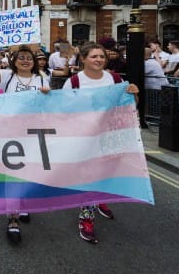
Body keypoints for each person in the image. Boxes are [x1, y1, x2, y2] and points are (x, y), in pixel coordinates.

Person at [62, 42, 139, 244]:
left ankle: (100, 198)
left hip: (110, 135)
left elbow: (129, 105)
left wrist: (134, 94)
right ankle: (86, 219)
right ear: (83, 59)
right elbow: (63, 110)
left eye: (102, 56)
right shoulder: (74, 81)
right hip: (85, 137)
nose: (99, 60)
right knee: (90, 176)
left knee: (106, 173)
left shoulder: (114, 79)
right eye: (94, 56)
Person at [0, 40, 50, 244]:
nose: (25, 61)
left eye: (29, 58)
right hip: (9, 133)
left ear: (34, 61)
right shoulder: (7, 76)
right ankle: (12, 218)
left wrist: (47, 94)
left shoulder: (42, 78)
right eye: (21, 58)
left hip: (32, 133)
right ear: (14, 61)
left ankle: (22, 203)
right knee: (13, 174)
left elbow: (48, 105)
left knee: (28, 172)